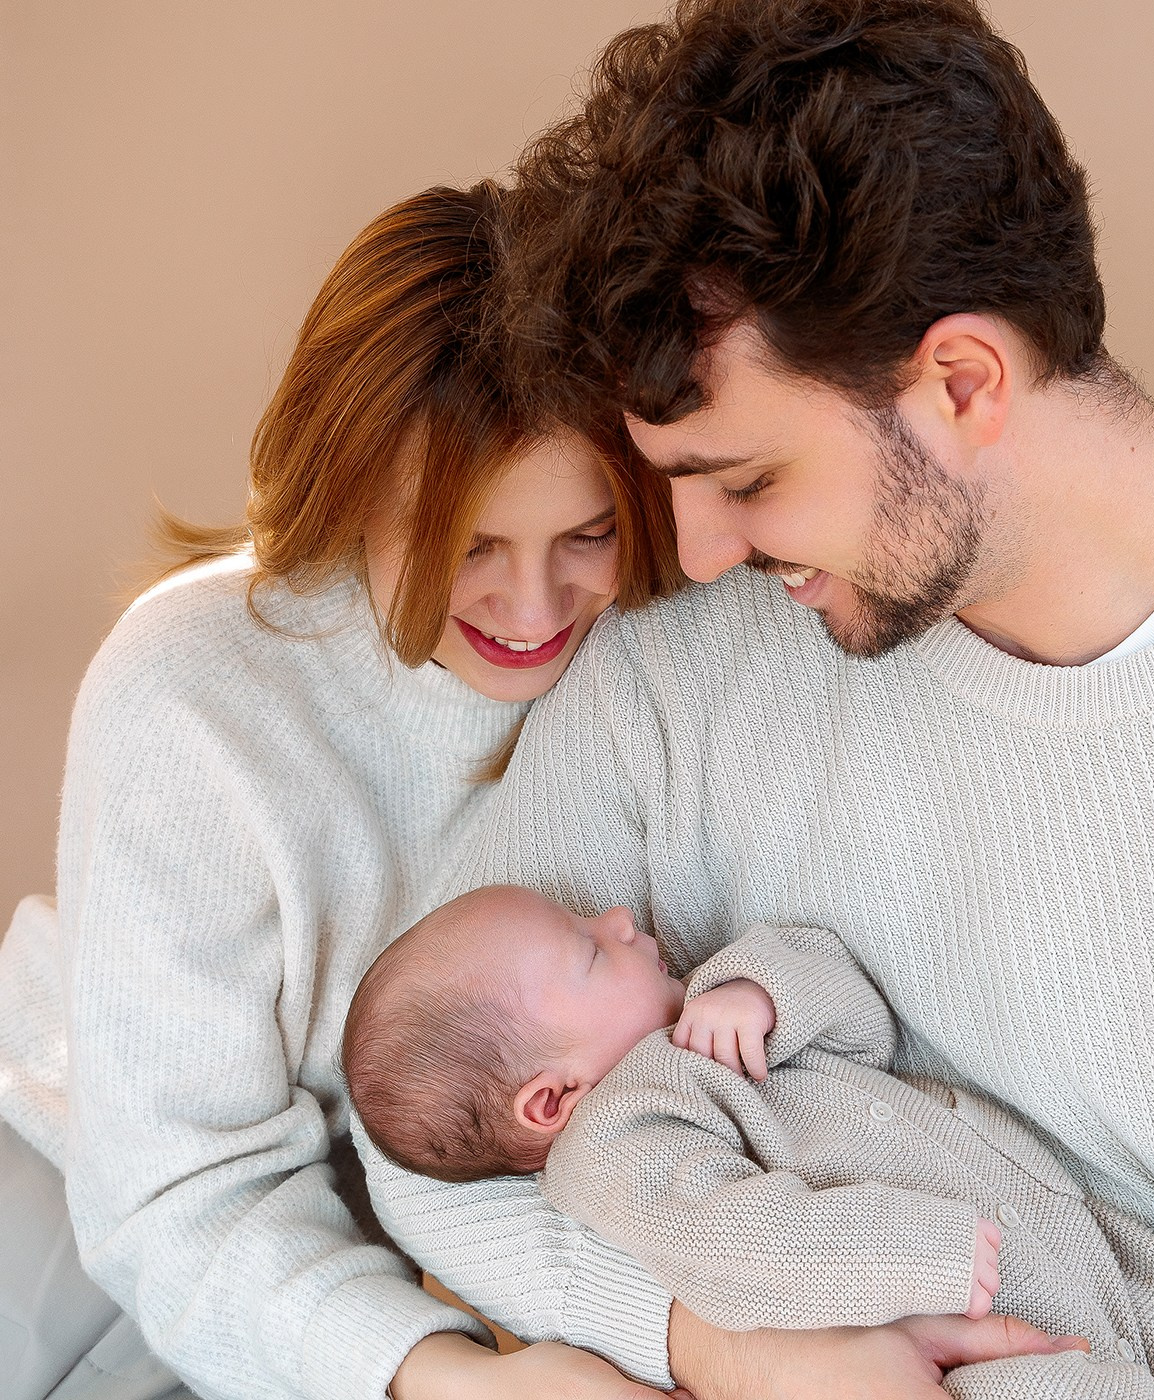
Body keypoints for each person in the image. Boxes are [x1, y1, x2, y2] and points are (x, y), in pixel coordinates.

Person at [360, 4, 1154, 1399]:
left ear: (961, 382)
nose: (702, 553)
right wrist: (729, 1349)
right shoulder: (687, 671)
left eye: (746, 480)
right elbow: (436, 1133)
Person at [0, 182, 692, 1400]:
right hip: (99, 1220)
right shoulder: (192, 694)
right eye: (468, 545)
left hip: (424, 1274)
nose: (534, 613)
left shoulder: (662, 641)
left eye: (584, 534)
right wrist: (448, 1375)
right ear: (349, 492)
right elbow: (175, 1196)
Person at [343, 884, 1154, 1400]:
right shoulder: (616, 1143)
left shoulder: (708, 1017)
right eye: (588, 947)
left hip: (1092, 1247)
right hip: (967, 1319)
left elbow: (858, 1021)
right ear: (551, 1101)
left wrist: (762, 990)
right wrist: (912, 1253)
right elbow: (738, 1246)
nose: (618, 917)